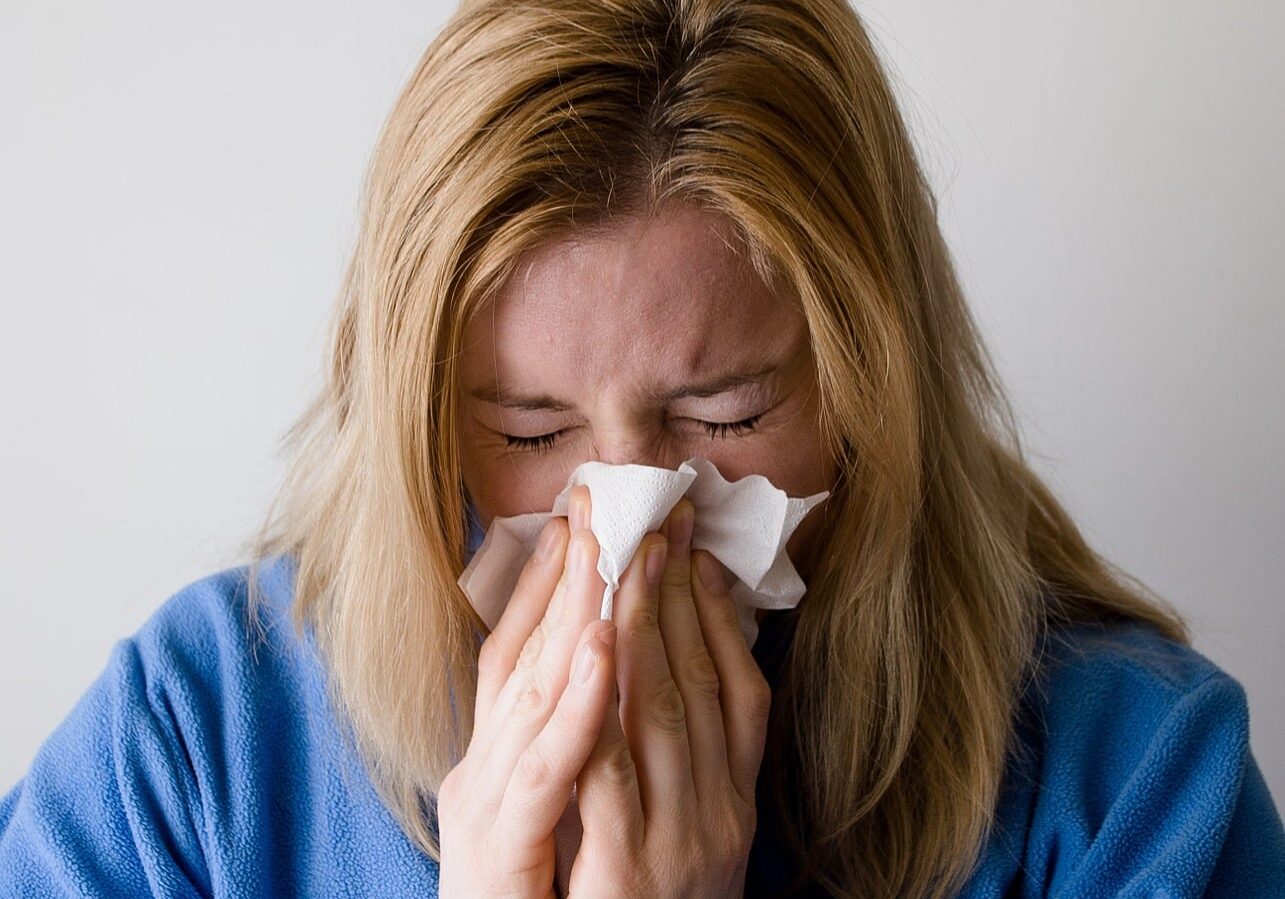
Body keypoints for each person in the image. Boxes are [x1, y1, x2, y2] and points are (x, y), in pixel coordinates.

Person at [3, 0, 1283, 896]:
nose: (629, 520)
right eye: (526, 429)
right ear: (413, 414)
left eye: (725, 415)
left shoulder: (1132, 787)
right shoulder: (194, 749)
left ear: (869, 389)